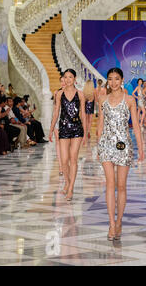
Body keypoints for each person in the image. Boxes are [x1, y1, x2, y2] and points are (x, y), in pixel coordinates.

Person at [97, 68, 144, 241]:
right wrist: (98, 146)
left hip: (124, 146)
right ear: (108, 81)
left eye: (117, 79)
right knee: (110, 183)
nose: (114, 82)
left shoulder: (130, 99)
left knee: (121, 185)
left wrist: (141, 148)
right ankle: (111, 223)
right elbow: (100, 125)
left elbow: (136, 126)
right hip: (106, 145)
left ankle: (119, 221)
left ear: (122, 80)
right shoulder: (102, 99)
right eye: (110, 79)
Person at [49, 69, 87, 202]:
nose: (68, 79)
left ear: (75, 78)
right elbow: (56, 113)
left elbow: (83, 114)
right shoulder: (59, 94)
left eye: (70, 77)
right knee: (64, 160)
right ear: (63, 79)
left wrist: (86, 132)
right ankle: (67, 182)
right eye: (66, 77)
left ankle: (71, 188)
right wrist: (51, 129)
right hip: (63, 128)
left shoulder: (80, 94)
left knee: (73, 159)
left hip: (77, 129)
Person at [52, 76, 66, 174]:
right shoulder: (56, 93)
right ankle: (60, 167)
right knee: (58, 142)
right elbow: (54, 109)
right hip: (57, 119)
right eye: (61, 81)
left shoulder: (74, 93)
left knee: (66, 144)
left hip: (68, 121)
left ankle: (66, 166)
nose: (63, 83)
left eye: (64, 80)